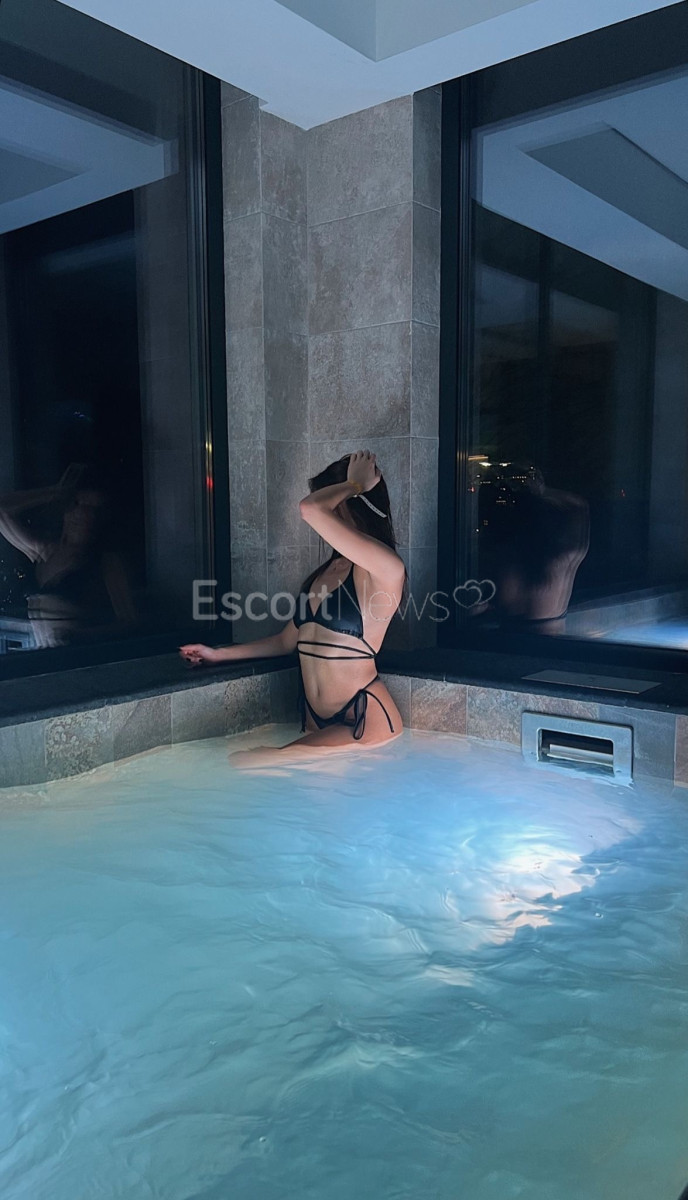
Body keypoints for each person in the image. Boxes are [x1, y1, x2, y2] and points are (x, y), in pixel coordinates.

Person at [180, 450, 406, 768]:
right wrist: (218, 654)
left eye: (332, 498)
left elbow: (310, 509)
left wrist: (354, 484)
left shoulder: (386, 569)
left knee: (242, 764)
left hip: (364, 720)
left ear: (346, 502)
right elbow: (286, 641)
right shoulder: (326, 572)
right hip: (318, 722)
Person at [0, 464, 136, 648]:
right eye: (78, 504)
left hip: (77, 657)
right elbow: (2, 510)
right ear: (65, 510)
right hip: (43, 654)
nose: (83, 513)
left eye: (93, 509)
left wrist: (83, 636)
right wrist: (55, 492)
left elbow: (129, 621)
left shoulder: (106, 562)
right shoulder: (43, 551)